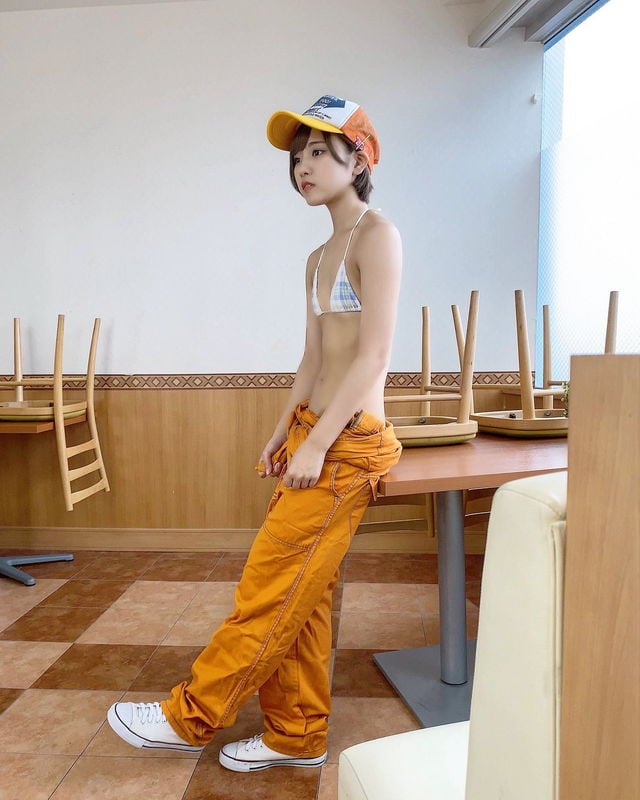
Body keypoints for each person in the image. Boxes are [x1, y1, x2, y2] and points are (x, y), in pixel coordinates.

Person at [107, 94, 403, 772]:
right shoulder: (318, 257)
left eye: (319, 152)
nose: (303, 167)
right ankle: (295, 735)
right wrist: (283, 431)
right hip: (313, 432)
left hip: (348, 442)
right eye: (297, 157)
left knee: (268, 587)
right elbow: (314, 357)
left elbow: (373, 357)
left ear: (359, 159)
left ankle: (189, 717)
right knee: (302, 593)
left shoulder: (378, 236)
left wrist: (319, 444)